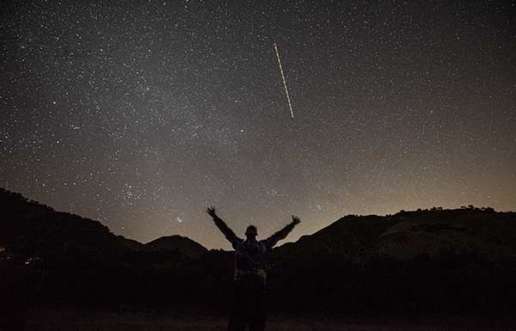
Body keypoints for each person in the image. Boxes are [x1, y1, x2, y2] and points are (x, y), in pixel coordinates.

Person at [207, 206, 300, 331]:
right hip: (243, 284)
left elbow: (279, 236)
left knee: (256, 319)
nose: (251, 233)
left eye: (252, 231)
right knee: (239, 318)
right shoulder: (240, 244)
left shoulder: (262, 245)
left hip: (257, 284)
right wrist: (215, 217)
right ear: (247, 233)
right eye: (249, 231)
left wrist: (292, 225)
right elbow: (226, 231)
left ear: (254, 234)